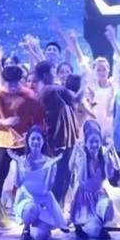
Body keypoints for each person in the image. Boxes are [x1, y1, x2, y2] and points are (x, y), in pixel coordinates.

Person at [27, 60, 80, 206]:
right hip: (61, 141)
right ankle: (56, 207)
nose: (55, 74)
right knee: (61, 176)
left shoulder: (48, 90)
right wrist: (87, 81)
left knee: (61, 175)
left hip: (60, 140)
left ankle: (56, 206)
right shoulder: (52, 90)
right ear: (45, 75)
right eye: (53, 71)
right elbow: (75, 99)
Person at [0, 65, 44, 197]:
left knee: (28, 175)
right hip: (3, 141)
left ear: (20, 81)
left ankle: (27, 204)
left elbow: (39, 120)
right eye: (9, 84)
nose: (13, 87)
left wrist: (30, 134)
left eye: (16, 83)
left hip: (24, 142)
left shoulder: (30, 95)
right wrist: (4, 122)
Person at [69, 120, 120, 240]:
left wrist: (112, 151)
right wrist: (82, 157)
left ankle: (98, 222)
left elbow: (115, 169)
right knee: (94, 230)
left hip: (99, 194)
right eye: (91, 142)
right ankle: (83, 224)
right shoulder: (82, 154)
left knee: (109, 206)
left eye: (97, 142)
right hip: (85, 198)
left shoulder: (103, 152)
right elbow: (81, 177)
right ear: (86, 143)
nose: (94, 145)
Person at [11, 126, 67, 240]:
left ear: (43, 141)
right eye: (33, 139)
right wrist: (16, 164)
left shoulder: (49, 161)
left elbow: (47, 188)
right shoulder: (21, 160)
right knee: (30, 208)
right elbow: (18, 184)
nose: (35, 142)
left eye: (38, 139)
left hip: (43, 201)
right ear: (28, 141)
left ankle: (41, 225)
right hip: (27, 200)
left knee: (40, 237)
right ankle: (26, 228)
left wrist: (50, 167)